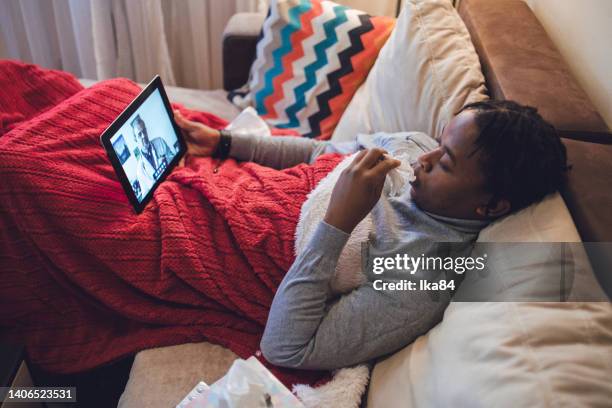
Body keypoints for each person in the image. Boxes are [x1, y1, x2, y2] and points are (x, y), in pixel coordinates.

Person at [173, 100, 569, 370]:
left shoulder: (420, 275)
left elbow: (287, 348)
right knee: (123, 102)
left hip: (231, 238)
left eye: (444, 163)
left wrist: (339, 222)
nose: (423, 160)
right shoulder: (412, 145)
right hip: (247, 181)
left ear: (491, 207)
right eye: (439, 141)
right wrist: (225, 141)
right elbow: (321, 151)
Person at [131, 115, 176, 193]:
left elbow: (174, 159)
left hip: (173, 181)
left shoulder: (160, 142)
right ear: (135, 139)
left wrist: (167, 160)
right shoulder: (140, 170)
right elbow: (146, 194)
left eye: (144, 131)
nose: (144, 136)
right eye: (139, 134)